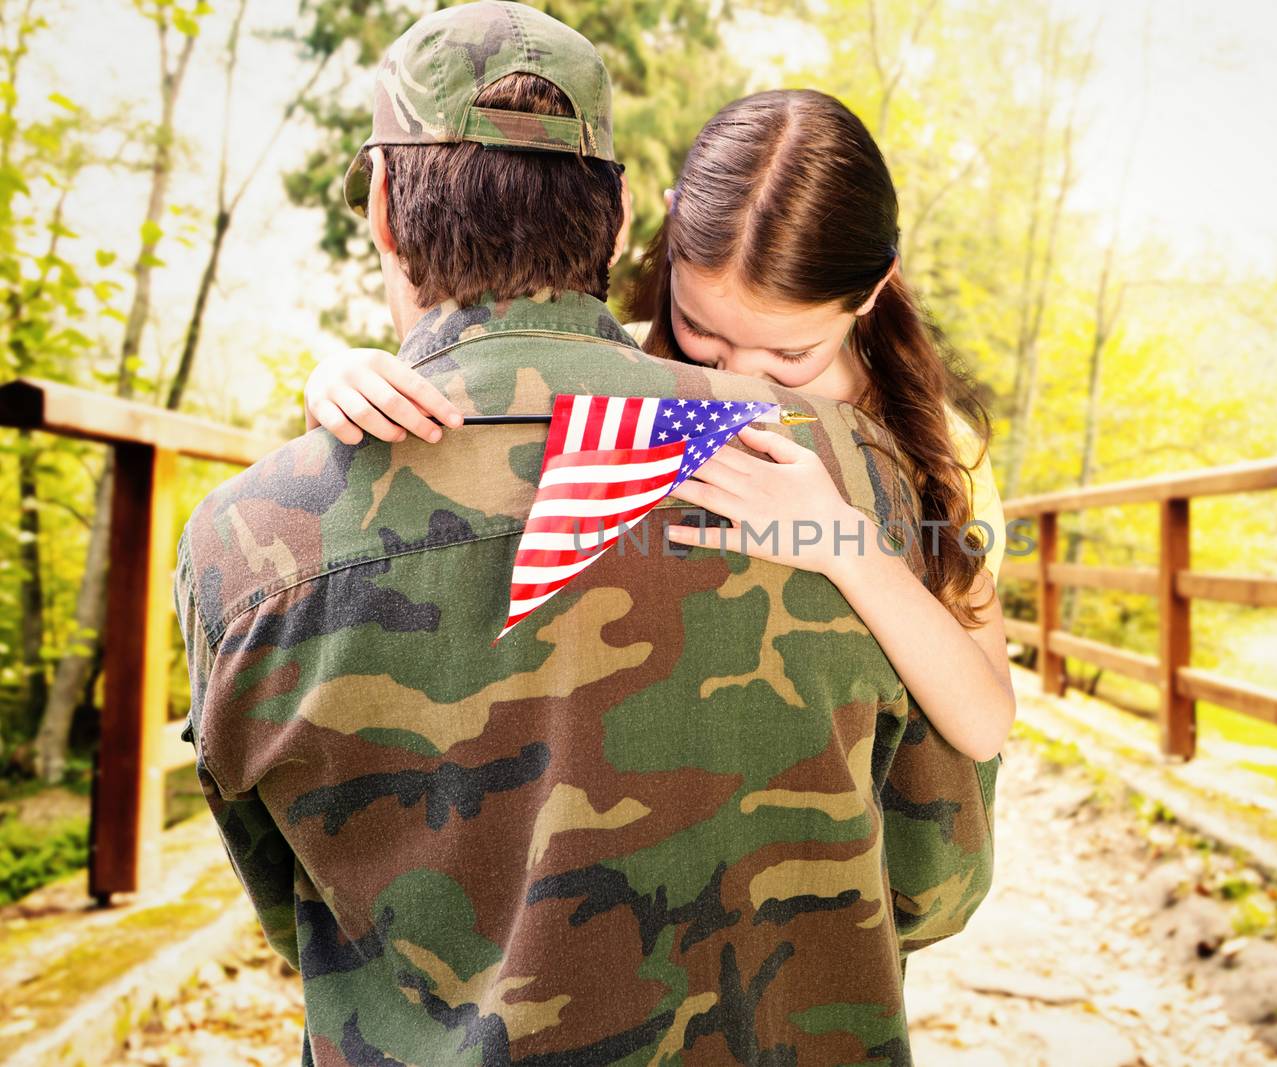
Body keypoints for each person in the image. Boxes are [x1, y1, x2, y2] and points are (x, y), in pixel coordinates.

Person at [174, 3, 995, 1065]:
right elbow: (939, 882)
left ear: (381, 206)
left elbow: (298, 908)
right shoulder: (850, 471)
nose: (745, 370)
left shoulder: (244, 538)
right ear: (618, 225)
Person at [305, 89, 1017, 762]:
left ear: (873, 288)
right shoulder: (612, 366)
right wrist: (349, 380)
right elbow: (476, 446)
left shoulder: (935, 446)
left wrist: (842, 541)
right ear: (671, 231)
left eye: (790, 352)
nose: (743, 371)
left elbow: (984, 725)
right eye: (702, 329)